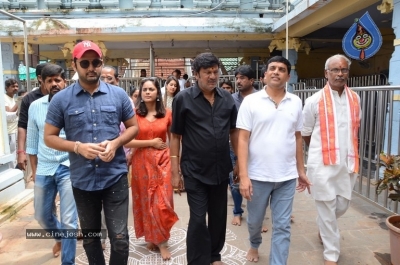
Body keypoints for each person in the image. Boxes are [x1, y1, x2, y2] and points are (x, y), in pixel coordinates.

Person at [44, 40, 139, 265]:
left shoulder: (118, 95)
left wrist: (115, 144)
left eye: (95, 62)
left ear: (101, 63)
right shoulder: (61, 100)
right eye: (85, 63)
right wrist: (78, 147)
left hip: (114, 176)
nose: (91, 67)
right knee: (91, 238)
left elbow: (134, 127)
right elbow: (49, 137)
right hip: (82, 178)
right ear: (74, 64)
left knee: (120, 238)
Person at [237, 56, 311, 264]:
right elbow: (242, 139)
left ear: (288, 76)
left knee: (282, 226)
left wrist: (301, 171)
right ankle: (254, 243)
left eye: (281, 69)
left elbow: (297, 137)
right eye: (272, 68)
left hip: (286, 177)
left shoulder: (295, 102)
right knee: (254, 221)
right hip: (258, 176)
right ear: (264, 75)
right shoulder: (251, 101)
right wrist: (244, 176)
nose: (276, 72)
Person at [170, 52, 238, 265]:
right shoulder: (183, 99)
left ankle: (214, 256)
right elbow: (175, 135)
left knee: (218, 217)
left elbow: (234, 132)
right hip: (194, 171)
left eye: (215, 72)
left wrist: (238, 164)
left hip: (220, 169)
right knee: (198, 219)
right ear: (196, 74)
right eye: (207, 72)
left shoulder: (227, 98)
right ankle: (198, 260)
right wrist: (174, 171)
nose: (212, 76)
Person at [302, 54, 361, 265]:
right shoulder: (313, 100)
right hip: (323, 164)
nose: (340, 74)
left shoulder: (355, 98)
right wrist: (321, 150)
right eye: (335, 70)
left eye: (344, 70)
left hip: (347, 162)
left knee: (342, 205)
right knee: (326, 205)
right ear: (326, 73)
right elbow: (306, 132)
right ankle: (331, 254)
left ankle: (324, 226)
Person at [26, 64, 78, 264]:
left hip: (69, 167)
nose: (55, 84)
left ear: (64, 81)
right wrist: (35, 170)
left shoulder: (74, 104)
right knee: (41, 215)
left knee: (69, 221)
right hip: (45, 168)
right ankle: (60, 238)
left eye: (58, 80)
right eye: (50, 81)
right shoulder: (35, 106)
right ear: (43, 83)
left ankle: (68, 262)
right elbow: (32, 141)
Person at [125, 77, 178, 261]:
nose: (147, 92)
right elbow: (126, 140)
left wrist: (176, 165)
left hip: (163, 162)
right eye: (145, 89)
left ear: (158, 93)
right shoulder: (134, 115)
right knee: (146, 202)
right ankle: (152, 236)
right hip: (142, 163)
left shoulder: (168, 114)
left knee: (162, 202)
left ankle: (162, 241)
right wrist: (150, 143)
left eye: (151, 89)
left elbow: (175, 140)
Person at [229, 65, 258, 227]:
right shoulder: (231, 99)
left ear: (251, 80)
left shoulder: (261, 98)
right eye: (237, 78)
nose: (238, 81)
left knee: (257, 182)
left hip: (256, 147)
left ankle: (256, 217)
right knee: (235, 181)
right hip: (234, 146)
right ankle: (238, 212)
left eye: (242, 78)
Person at [17, 63, 50, 171]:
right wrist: (21, 152)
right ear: (40, 78)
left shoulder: (63, 96)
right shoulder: (29, 99)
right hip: (37, 154)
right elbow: (22, 125)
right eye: (49, 78)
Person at [4, 78, 19, 168]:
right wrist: (19, 103)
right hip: (9, 131)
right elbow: (8, 113)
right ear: (6, 88)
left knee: (14, 152)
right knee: (11, 153)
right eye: (13, 86)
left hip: (15, 129)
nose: (15, 88)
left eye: (16, 86)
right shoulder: (4, 98)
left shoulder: (13, 98)